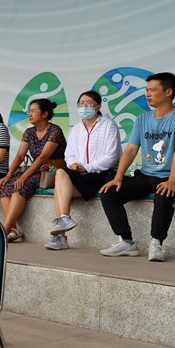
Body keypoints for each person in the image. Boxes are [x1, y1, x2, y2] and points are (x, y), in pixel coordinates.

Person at [99, 72, 175, 262]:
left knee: (164, 193)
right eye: (147, 90)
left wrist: (172, 181)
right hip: (147, 174)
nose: (148, 94)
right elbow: (131, 150)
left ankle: (156, 244)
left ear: (168, 92)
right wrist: (118, 177)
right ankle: (126, 242)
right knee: (109, 193)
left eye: (153, 90)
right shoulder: (142, 119)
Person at [43, 91, 121, 250]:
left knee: (59, 190)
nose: (84, 106)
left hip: (101, 174)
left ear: (98, 106)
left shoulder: (108, 125)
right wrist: (73, 164)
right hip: (80, 174)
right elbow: (69, 154)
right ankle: (64, 220)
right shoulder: (77, 128)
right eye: (81, 103)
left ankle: (61, 237)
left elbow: (112, 157)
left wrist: (88, 167)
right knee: (60, 173)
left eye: (89, 103)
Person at [0, 99, 67, 242]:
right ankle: (13, 230)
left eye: (33, 111)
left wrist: (23, 177)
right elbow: (20, 156)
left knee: (20, 186)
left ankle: (4, 230)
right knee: (5, 185)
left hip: (51, 170)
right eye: (29, 111)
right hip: (35, 170)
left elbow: (43, 157)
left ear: (45, 114)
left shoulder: (54, 131)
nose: (29, 114)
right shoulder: (29, 132)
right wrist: (8, 175)